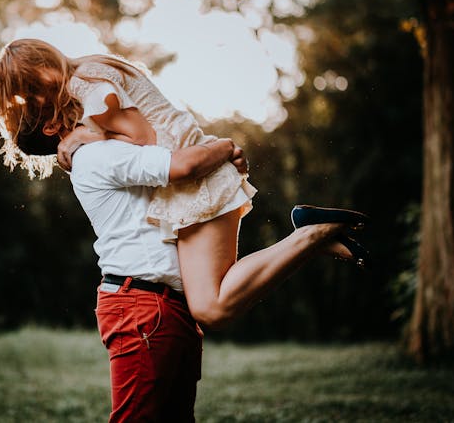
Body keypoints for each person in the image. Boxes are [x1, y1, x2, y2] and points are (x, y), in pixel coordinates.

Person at [0, 38, 368, 329]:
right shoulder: (89, 76)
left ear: (40, 82)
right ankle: (316, 239)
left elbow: (144, 138)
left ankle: (310, 236)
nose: (27, 107)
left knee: (211, 309)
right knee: (213, 301)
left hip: (197, 180)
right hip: (192, 181)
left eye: (25, 97)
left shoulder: (88, 86)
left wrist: (87, 138)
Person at [46, 124, 355, 422]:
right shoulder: (94, 155)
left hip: (170, 304)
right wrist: (223, 147)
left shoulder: (109, 145)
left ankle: (308, 239)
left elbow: (165, 145)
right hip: (142, 304)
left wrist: (225, 158)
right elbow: (185, 165)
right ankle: (309, 237)